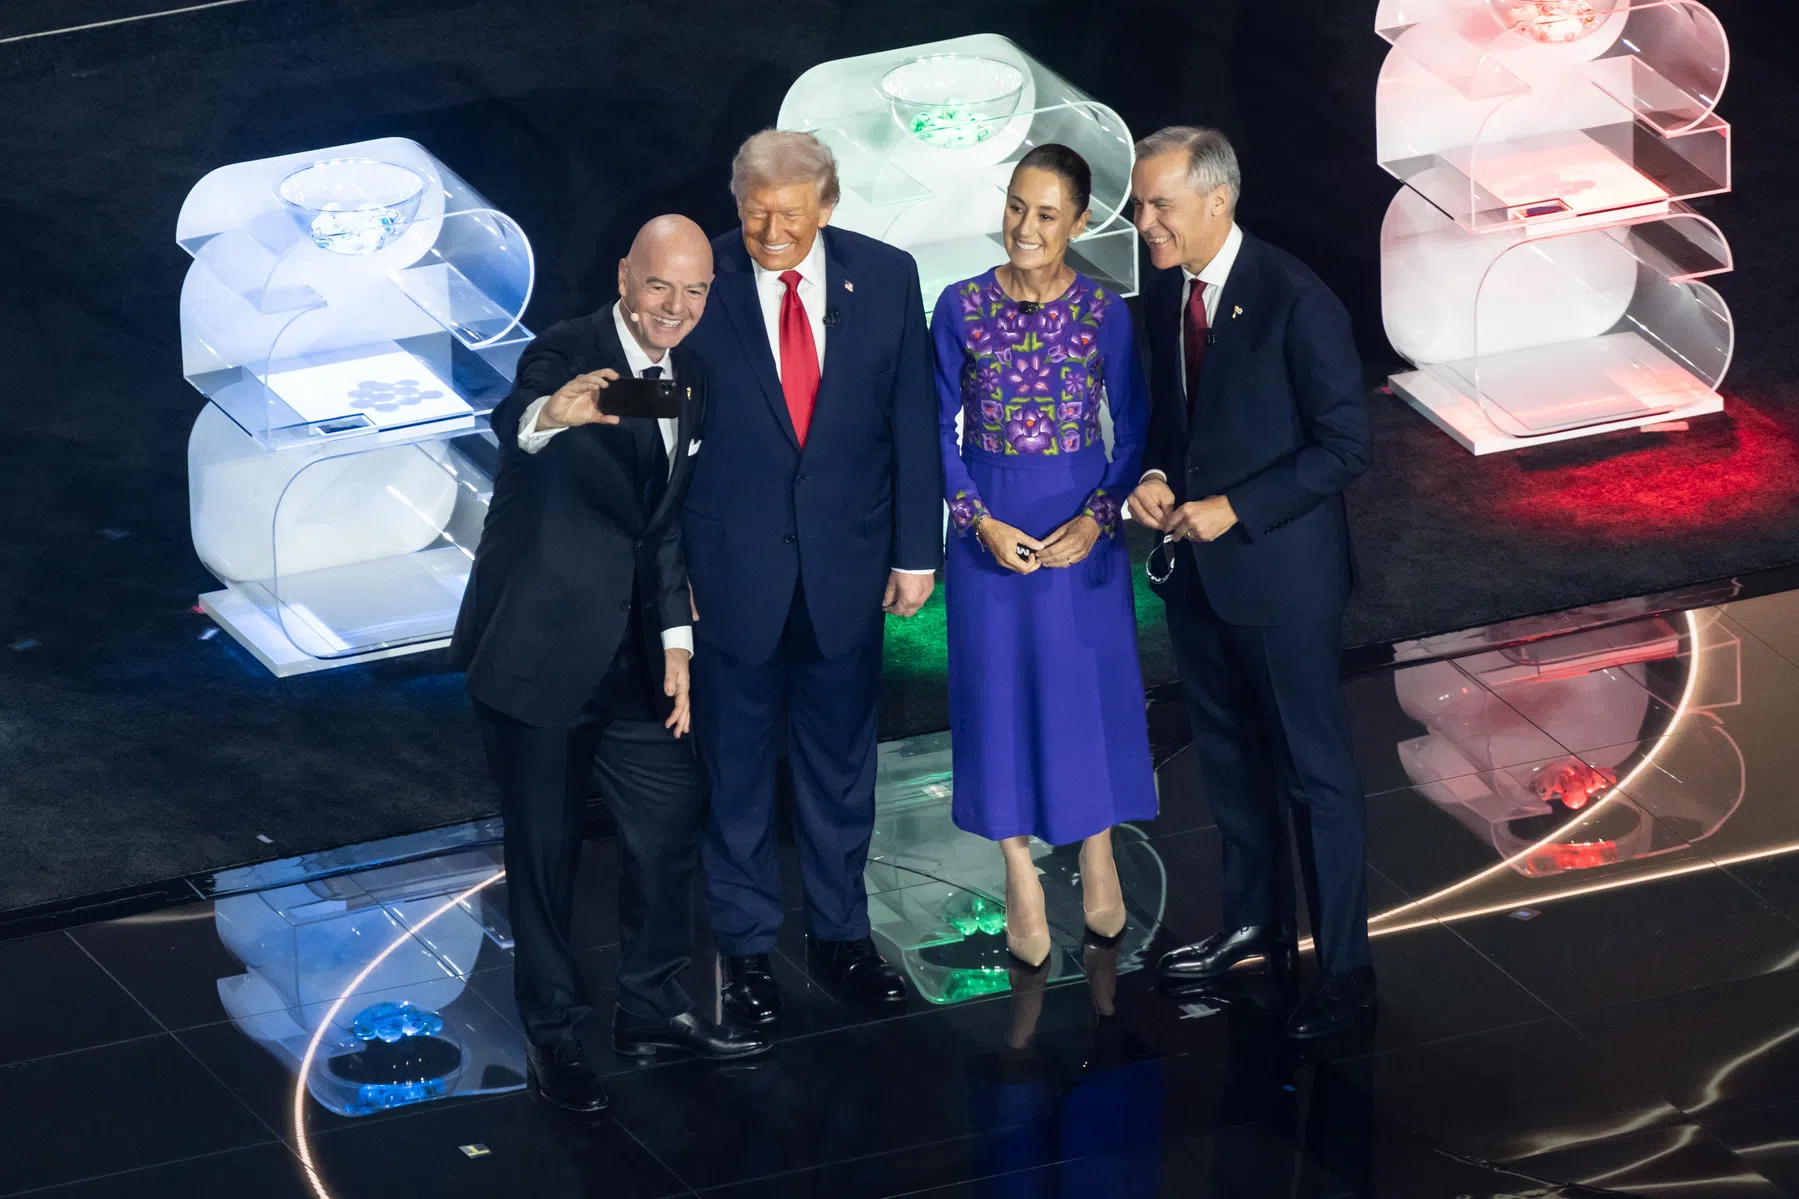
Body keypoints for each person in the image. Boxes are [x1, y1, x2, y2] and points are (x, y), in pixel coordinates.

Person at [450, 215, 770, 1116]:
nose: (675, 307)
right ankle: (554, 1037)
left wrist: (676, 643)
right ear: (627, 274)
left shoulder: (689, 378)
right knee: (544, 856)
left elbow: (656, 520)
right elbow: (520, 417)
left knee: (671, 826)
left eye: (696, 292)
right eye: (661, 285)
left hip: (633, 655)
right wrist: (556, 412)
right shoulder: (568, 350)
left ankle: (654, 1007)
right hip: (539, 654)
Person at [683, 130, 942, 1023]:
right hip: (728, 576)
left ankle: (841, 939)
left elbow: (912, 416)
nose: (771, 230)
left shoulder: (887, 275)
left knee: (840, 773)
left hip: (848, 569)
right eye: (756, 212)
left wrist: (917, 552)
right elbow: (659, 414)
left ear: (827, 205)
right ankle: (747, 955)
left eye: (791, 213)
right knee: (738, 775)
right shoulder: (698, 276)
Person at [1124, 127, 1375, 1039]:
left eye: (1159, 205)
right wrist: (1154, 472)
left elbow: (1346, 446)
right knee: (1228, 759)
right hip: (1198, 577)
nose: (1142, 220)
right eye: (1141, 203)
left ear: (1216, 200)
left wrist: (1237, 507)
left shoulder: (1294, 299)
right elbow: (1172, 417)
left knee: (1314, 777)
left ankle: (1345, 973)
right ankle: (1253, 924)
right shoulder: (1167, 290)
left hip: (1280, 578)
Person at [928, 144, 1158, 967]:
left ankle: (1095, 847)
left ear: (1081, 223)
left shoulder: (1105, 313)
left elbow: (1133, 431)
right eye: (1016, 206)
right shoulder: (957, 306)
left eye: (1046, 213)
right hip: (989, 529)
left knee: (1080, 690)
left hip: (1077, 526)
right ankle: (1017, 866)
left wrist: (1099, 518)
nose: (1024, 227)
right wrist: (975, 520)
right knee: (995, 695)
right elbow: (933, 428)